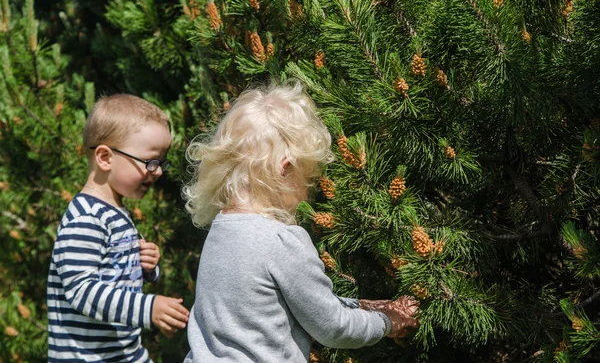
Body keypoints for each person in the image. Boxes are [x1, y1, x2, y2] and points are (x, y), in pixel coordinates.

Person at [182, 82, 419, 363]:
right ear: (285, 169)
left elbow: (290, 306)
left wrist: (361, 306)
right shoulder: (281, 241)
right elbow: (333, 326)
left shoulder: (221, 231)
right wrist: (387, 322)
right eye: (308, 178)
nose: (309, 191)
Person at [47, 94, 189, 362]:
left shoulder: (115, 212)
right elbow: (81, 289)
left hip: (125, 353)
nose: (157, 171)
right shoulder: (86, 218)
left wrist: (147, 267)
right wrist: (148, 308)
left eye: (161, 162)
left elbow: (117, 274)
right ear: (105, 157)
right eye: (150, 161)